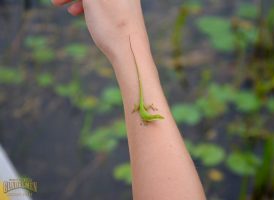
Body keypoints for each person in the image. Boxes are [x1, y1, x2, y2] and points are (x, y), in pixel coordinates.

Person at [51, 0, 206, 199]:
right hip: (141, 107)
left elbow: (148, 117)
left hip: (141, 107)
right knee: (143, 104)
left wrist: (125, 35)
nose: (156, 117)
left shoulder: (148, 116)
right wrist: (124, 35)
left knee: (143, 106)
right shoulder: (147, 115)